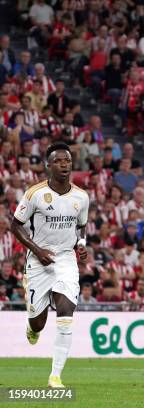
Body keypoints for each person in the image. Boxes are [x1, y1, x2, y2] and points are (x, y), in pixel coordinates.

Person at [10, 142, 89, 388]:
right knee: (39, 323)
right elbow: (15, 225)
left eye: (67, 160)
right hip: (38, 261)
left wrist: (81, 243)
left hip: (66, 259)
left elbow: (81, 225)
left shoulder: (81, 197)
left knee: (66, 311)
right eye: (58, 161)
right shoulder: (35, 194)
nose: (64, 164)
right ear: (48, 165)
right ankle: (31, 326)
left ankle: (55, 376)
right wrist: (36, 249)